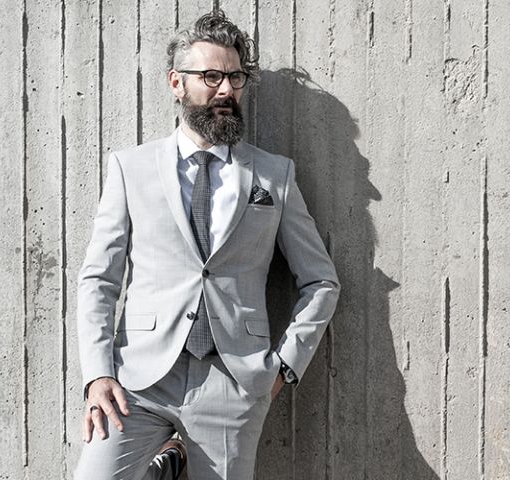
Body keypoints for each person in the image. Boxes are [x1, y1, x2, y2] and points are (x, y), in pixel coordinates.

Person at [73, 10, 340, 479]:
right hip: (138, 380)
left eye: (236, 78)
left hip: (232, 383)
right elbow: (99, 278)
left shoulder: (274, 174)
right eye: (211, 76)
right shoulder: (130, 168)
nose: (226, 91)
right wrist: (98, 373)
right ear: (176, 83)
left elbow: (321, 281)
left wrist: (282, 370)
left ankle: (175, 457)